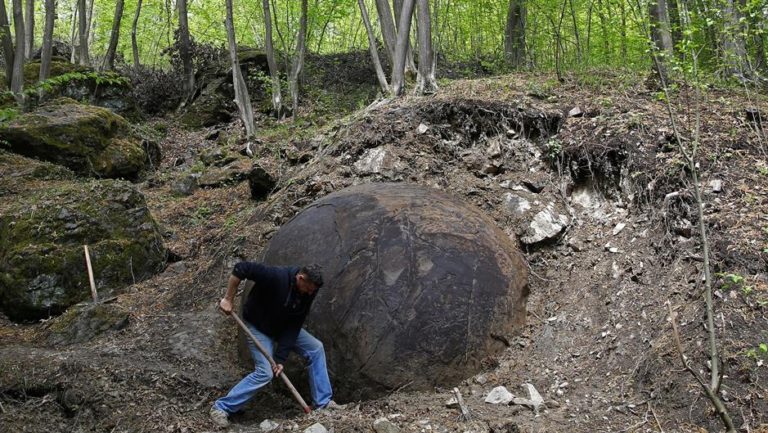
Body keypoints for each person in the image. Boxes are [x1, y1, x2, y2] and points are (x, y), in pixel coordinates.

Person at [210, 262, 341, 428]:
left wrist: (280, 359)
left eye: (313, 290)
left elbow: (294, 325)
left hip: (282, 326)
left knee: (316, 348)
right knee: (265, 373)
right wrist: (228, 299)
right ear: (300, 278)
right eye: (309, 289)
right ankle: (221, 408)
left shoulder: (309, 290)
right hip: (258, 327)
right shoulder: (275, 276)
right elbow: (240, 268)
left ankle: (323, 403)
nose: (310, 293)